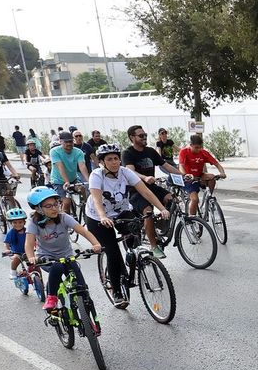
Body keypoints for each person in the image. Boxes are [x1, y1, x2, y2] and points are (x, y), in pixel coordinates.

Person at [86, 143, 168, 304]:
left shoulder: (125, 172)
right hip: (98, 218)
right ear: (102, 162)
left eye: (116, 158)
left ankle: (134, 260)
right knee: (113, 253)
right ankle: (117, 291)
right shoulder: (97, 175)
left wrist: (161, 208)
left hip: (122, 212)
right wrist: (103, 216)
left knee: (134, 236)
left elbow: (145, 191)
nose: (115, 162)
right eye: (109, 159)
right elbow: (96, 200)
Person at [25, 186, 103, 312]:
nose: (55, 208)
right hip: (47, 258)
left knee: (82, 288)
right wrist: (31, 257)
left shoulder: (63, 217)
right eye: (49, 206)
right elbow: (29, 243)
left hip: (67, 256)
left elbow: (83, 231)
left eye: (56, 204)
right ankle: (51, 297)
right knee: (57, 267)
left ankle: (91, 320)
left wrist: (96, 244)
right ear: (38, 209)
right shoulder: (33, 223)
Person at [121, 124, 173, 257]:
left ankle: (161, 223)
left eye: (145, 135)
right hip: (136, 190)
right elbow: (130, 171)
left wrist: (183, 175)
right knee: (148, 212)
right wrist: (145, 177)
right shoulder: (127, 153)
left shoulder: (150, 151)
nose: (144, 137)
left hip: (151, 187)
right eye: (141, 135)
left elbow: (165, 165)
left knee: (171, 199)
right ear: (132, 137)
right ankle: (154, 246)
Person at [177, 132, 224, 218]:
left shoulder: (204, 153)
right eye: (196, 147)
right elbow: (181, 166)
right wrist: (185, 175)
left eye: (200, 147)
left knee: (212, 177)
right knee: (195, 199)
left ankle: (209, 198)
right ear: (190, 145)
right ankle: (192, 220)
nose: (198, 149)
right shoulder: (184, 152)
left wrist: (222, 173)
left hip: (199, 175)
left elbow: (217, 164)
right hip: (188, 178)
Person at [48, 130, 87, 206]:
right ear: (60, 141)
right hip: (58, 181)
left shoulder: (78, 152)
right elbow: (60, 167)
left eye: (70, 141)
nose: (69, 144)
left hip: (73, 179)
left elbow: (82, 166)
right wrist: (66, 181)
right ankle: (64, 217)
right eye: (66, 142)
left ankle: (86, 207)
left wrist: (88, 180)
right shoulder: (54, 151)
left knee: (81, 189)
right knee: (66, 203)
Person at [2, 206, 32, 292]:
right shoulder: (11, 232)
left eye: (20, 222)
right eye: (15, 222)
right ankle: (13, 272)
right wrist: (7, 249)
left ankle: (39, 279)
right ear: (11, 223)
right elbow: (6, 242)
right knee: (16, 259)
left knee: (35, 265)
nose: (18, 224)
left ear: (24, 222)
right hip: (17, 252)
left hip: (28, 251)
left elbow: (34, 238)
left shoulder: (28, 231)